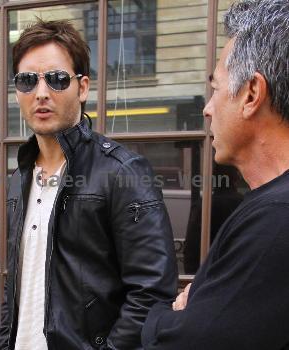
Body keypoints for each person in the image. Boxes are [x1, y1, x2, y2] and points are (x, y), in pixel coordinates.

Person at [0, 19, 177, 350]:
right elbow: (16, 286)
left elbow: (151, 293)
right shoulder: (20, 176)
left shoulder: (123, 172)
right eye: (27, 80)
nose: (40, 93)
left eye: (56, 79)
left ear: (82, 87)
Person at [142, 1, 289, 349]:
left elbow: (183, 343)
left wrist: (159, 319)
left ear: (252, 93)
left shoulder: (277, 220)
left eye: (216, 88)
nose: (207, 109)